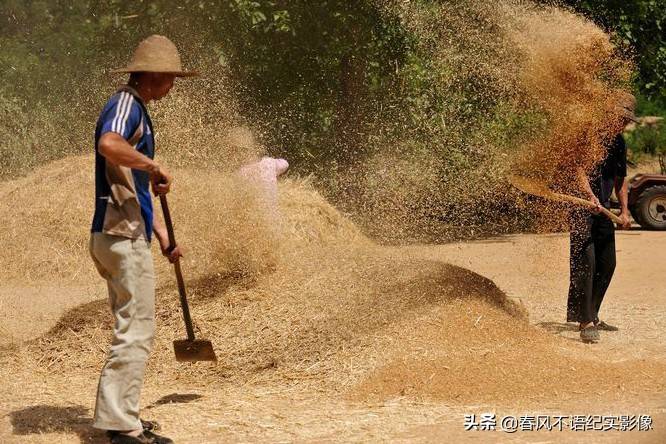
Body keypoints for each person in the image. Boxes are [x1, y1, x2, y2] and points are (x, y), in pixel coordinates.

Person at [89, 35, 197, 444]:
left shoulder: (136, 109)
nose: (172, 87)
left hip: (123, 231)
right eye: (170, 79)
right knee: (135, 330)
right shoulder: (125, 105)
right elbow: (109, 144)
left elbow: (129, 182)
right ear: (153, 75)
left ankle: (121, 416)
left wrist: (164, 235)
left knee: (131, 327)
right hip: (120, 235)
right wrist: (153, 164)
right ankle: (120, 425)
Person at [566, 92, 637, 344]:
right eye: (620, 118)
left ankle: (592, 313)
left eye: (626, 120)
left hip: (604, 207)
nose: (623, 123)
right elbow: (578, 169)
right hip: (582, 205)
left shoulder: (618, 143)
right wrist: (590, 195)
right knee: (586, 260)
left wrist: (624, 210)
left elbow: (620, 180)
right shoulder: (589, 136)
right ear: (609, 114)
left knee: (608, 263)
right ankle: (584, 321)